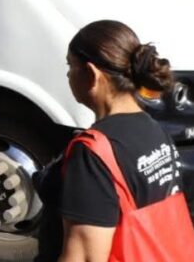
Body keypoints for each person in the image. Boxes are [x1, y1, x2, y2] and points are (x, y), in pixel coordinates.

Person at [59, 20, 193, 261]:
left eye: (70, 65)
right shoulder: (155, 130)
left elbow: (84, 257)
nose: (68, 74)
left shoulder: (94, 152)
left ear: (92, 74)